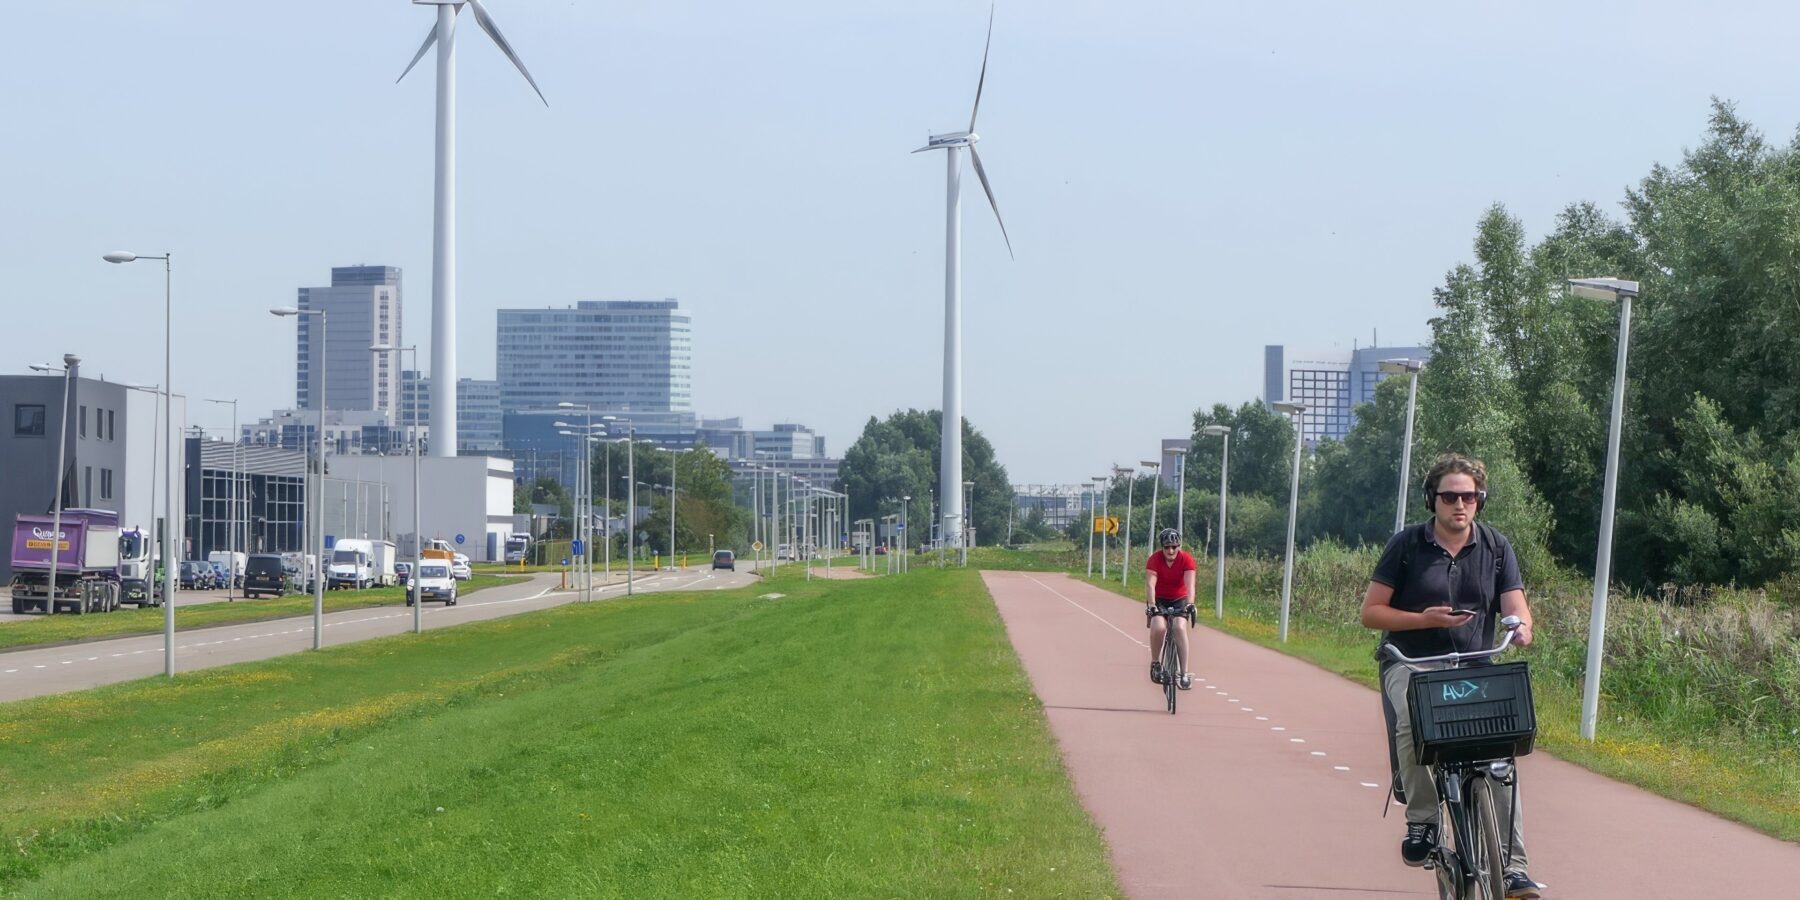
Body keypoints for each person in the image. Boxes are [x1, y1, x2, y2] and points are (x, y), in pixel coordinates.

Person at [1359, 454, 1543, 899]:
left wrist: (1522, 629)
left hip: (1476, 661)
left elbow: (1517, 607)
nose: (1460, 504)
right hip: (1412, 661)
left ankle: (1514, 867)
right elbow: (1371, 613)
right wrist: (1424, 620)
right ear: (1433, 500)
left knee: (1501, 755)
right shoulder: (1407, 546)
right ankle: (1422, 820)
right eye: (1450, 496)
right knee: (1411, 719)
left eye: (1469, 496)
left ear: (1479, 500)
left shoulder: (1496, 546)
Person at [1144, 527, 1198, 690]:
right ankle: (1156, 663)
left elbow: (1190, 586)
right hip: (1159, 599)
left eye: (1174, 546)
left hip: (1179, 599)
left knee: (1179, 628)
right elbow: (1150, 584)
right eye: (1167, 547)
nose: (1171, 550)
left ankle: (1184, 673)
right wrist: (1152, 605)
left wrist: (1189, 603)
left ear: (1179, 546)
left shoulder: (1187, 559)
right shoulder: (1154, 559)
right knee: (1159, 627)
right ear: (1162, 547)